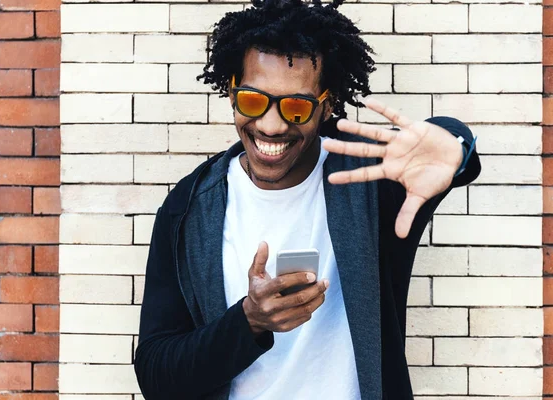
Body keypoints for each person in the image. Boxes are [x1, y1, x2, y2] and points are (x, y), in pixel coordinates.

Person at [134, 0, 481, 398]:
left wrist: (455, 144)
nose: (270, 124)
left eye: (296, 107)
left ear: (327, 104)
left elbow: (449, 151)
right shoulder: (189, 209)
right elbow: (157, 376)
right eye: (252, 100)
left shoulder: (372, 180)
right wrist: (249, 322)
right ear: (231, 91)